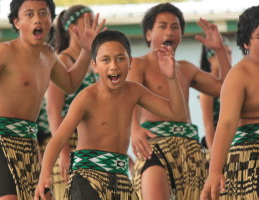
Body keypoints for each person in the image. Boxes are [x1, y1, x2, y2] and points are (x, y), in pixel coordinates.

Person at [0, 0, 105, 198]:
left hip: (30, 145)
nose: (38, 19)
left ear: (51, 19)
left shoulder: (48, 54)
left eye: (43, 13)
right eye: (29, 14)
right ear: (17, 22)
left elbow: (70, 84)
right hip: (0, 143)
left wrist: (87, 51)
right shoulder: (3, 51)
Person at [34, 29, 187, 200]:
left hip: (121, 180)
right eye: (105, 60)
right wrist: (44, 174)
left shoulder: (134, 91)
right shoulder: (86, 97)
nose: (113, 66)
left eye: (120, 59)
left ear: (130, 62)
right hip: (88, 178)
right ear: (95, 66)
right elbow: (58, 139)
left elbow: (177, 113)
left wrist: (172, 78)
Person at [127, 3, 232, 200]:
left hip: (189, 149)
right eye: (163, 26)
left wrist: (220, 51)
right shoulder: (138, 64)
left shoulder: (185, 68)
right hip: (154, 145)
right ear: (148, 34)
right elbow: (129, 97)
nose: (170, 31)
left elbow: (225, 88)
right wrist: (133, 128)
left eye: (175, 27)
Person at [200, 5, 259, 200]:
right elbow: (225, 123)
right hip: (249, 158)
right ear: (246, 43)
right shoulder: (239, 75)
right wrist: (214, 170)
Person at [46, 5, 98, 200]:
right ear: (72, 28)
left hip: (90, 143)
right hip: (67, 141)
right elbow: (53, 110)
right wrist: (64, 152)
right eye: (89, 22)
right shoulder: (62, 61)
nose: (94, 27)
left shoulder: (94, 62)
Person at [199, 40, 232, 157]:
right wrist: (215, 157)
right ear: (211, 59)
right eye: (224, 53)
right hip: (218, 146)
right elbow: (208, 126)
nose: (229, 57)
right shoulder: (207, 88)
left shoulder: (233, 81)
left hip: (234, 142)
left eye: (229, 53)